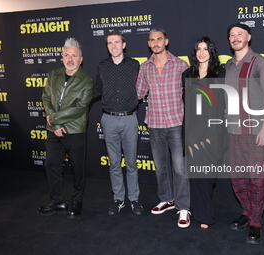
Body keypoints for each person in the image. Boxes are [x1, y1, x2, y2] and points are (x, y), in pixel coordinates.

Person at [224, 23, 264, 244]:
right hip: (232, 131)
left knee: (256, 180)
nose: (235, 38)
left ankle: (256, 222)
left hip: (255, 132)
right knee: (238, 179)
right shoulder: (228, 65)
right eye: (232, 35)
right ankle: (246, 211)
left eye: (240, 34)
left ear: (249, 37)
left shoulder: (259, 63)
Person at [136, 27, 190, 228]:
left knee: (180, 168)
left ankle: (183, 206)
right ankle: (167, 199)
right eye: (152, 40)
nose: (156, 43)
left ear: (166, 41)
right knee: (161, 168)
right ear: (149, 44)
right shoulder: (145, 68)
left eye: (159, 39)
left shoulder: (181, 65)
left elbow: (191, 94)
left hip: (177, 123)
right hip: (155, 123)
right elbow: (138, 93)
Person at [38, 38, 94, 219]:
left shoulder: (86, 80)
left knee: (77, 168)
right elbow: (46, 98)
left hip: (75, 131)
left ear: (81, 59)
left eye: (74, 55)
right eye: (67, 55)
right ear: (62, 57)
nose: (70, 59)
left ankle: (77, 201)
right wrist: (55, 124)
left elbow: (79, 108)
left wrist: (53, 119)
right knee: (51, 164)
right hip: (54, 130)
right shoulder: (53, 74)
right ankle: (58, 201)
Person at [94, 31, 143, 215]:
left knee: (131, 163)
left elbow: (143, 88)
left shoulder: (134, 65)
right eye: (109, 43)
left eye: (116, 42)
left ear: (124, 45)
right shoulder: (102, 66)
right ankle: (118, 199)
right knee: (114, 163)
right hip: (108, 119)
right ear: (107, 46)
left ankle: (134, 199)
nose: (113, 46)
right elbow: (97, 89)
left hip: (130, 118)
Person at [182, 36, 227, 229]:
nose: (201, 52)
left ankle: (206, 214)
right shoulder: (188, 74)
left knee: (207, 176)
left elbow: (224, 105)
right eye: (198, 49)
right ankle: (200, 212)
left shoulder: (220, 73)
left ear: (211, 52)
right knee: (195, 176)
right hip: (192, 131)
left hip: (212, 132)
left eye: (205, 49)